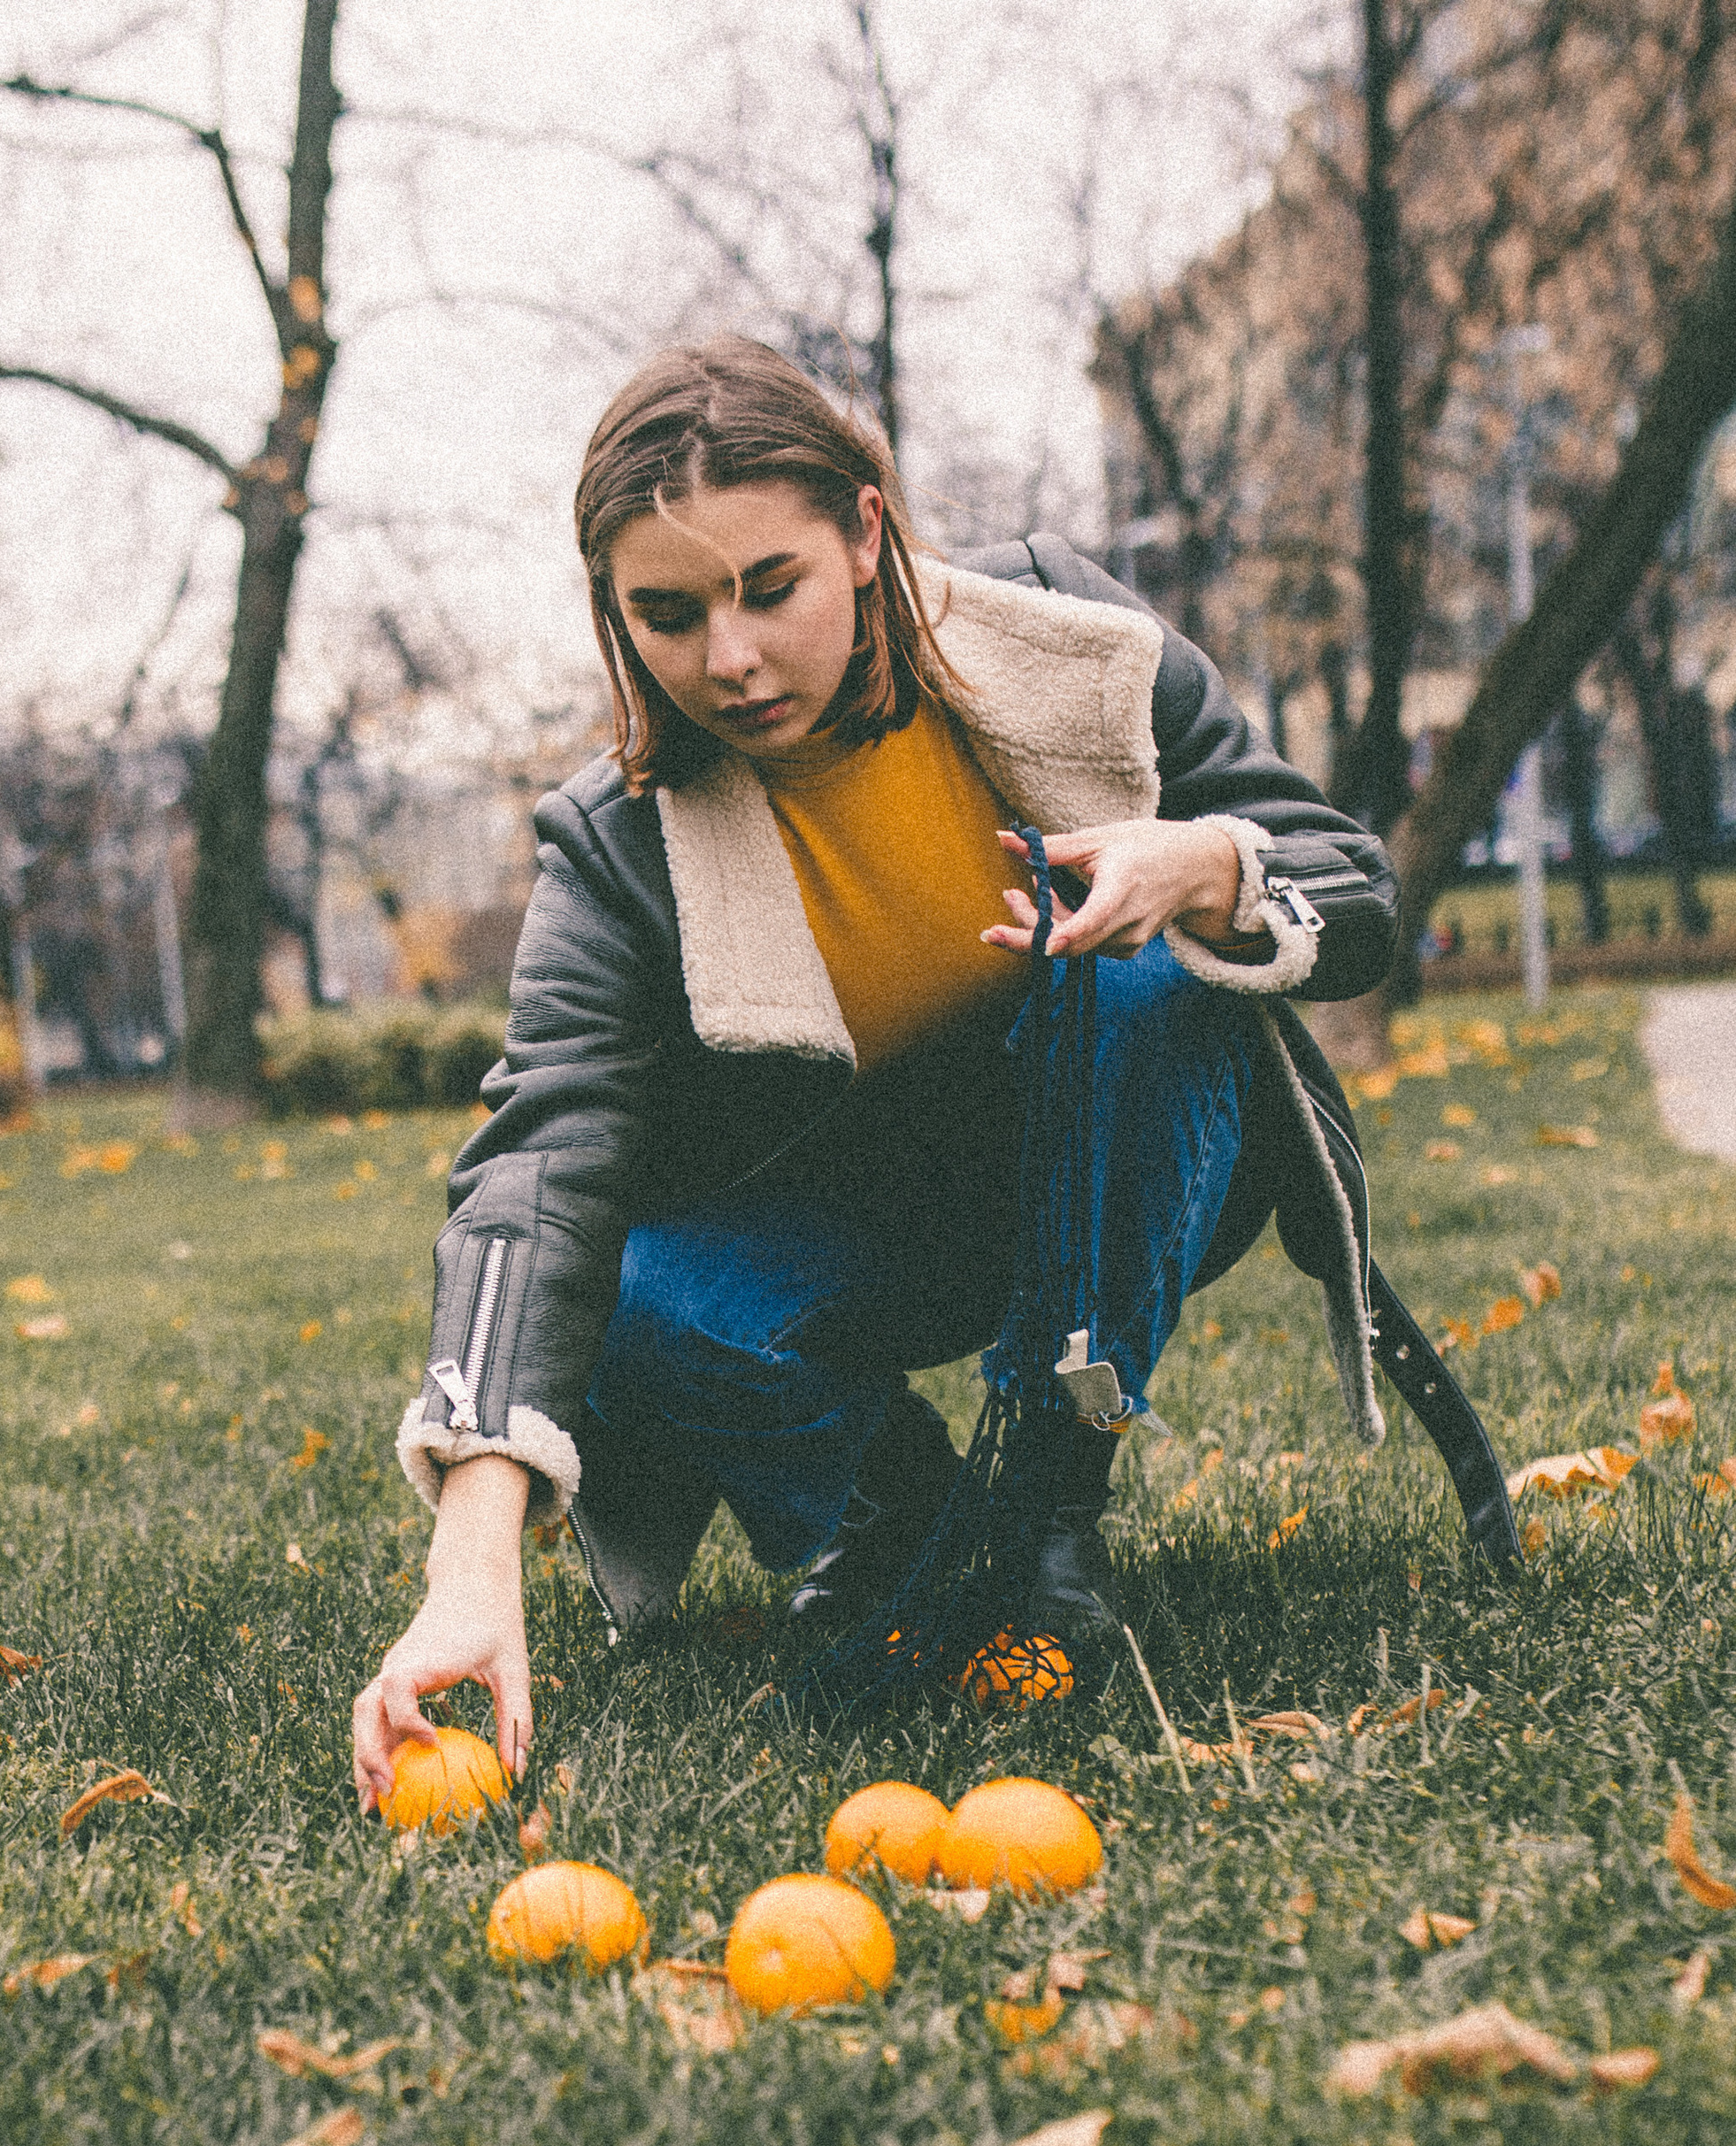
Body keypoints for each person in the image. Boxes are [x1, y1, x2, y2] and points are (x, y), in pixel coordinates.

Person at [352, 336, 1508, 1811]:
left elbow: (1360, 898)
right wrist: (472, 1563)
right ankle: (893, 1518)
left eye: (771, 587)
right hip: (859, 1236)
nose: (731, 658)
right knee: (630, 1284)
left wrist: (1203, 864)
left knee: (1150, 981)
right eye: (668, 613)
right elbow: (537, 1160)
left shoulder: (1062, 636)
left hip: (1127, 1170)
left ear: (864, 532)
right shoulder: (617, 839)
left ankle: (1046, 1501)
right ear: (613, 615)